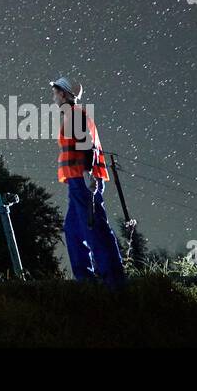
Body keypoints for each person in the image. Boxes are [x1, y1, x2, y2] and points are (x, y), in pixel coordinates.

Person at [51, 76, 126, 289]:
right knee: (73, 230)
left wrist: (88, 175)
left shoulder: (75, 115)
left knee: (95, 227)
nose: (53, 96)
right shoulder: (73, 115)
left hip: (82, 178)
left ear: (63, 94)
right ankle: (85, 281)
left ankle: (113, 281)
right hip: (77, 179)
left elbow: (87, 145)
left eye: (55, 92)